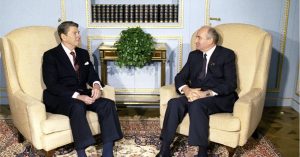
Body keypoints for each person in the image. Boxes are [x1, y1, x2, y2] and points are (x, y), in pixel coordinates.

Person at [42, 21, 123, 157]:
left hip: (82, 93)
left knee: (107, 104)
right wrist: (77, 96)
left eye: (78, 32)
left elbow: (91, 74)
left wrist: (96, 85)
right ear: (63, 36)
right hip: (59, 97)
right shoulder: (51, 55)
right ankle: (82, 152)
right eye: (75, 33)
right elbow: (52, 84)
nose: (79, 35)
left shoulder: (83, 53)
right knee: (78, 106)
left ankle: (108, 152)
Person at [157, 26, 239, 157]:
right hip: (195, 94)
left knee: (197, 105)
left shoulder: (226, 55)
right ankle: (165, 148)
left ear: (210, 40)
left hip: (218, 97)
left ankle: (202, 152)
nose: (195, 40)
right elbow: (180, 77)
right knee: (174, 103)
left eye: (199, 37)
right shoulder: (194, 55)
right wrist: (187, 90)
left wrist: (205, 94)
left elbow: (230, 84)